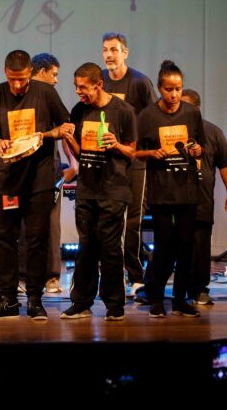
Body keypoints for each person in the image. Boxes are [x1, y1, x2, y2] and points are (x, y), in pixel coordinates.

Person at [0, 50, 72, 320]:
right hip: (7, 179)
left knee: (36, 239)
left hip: (39, 179)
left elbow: (65, 124)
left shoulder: (45, 93)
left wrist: (51, 134)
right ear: (5, 73)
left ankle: (34, 299)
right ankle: (7, 299)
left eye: (21, 79)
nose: (17, 85)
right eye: (12, 80)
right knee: (7, 239)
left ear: (30, 72)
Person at [60, 62, 136, 321]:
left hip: (113, 190)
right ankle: (81, 302)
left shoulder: (123, 111)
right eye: (76, 87)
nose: (79, 92)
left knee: (111, 247)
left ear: (99, 84)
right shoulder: (79, 110)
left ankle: (115, 306)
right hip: (87, 189)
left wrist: (117, 144)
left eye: (84, 87)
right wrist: (70, 142)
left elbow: (133, 152)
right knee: (86, 247)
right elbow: (81, 154)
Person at [135, 60, 204, 318]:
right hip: (161, 191)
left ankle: (179, 300)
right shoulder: (148, 116)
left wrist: (197, 150)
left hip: (186, 189)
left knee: (186, 247)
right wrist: (152, 152)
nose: (174, 95)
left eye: (178, 89)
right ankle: (156, 299)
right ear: (160, 88)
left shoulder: (191, 113)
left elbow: (200, 145)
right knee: (164, 247)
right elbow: (135, 152)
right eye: (168, 89)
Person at [101, 32, 157, 298]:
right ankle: (114, 274)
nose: (109, 55)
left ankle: (136, 275)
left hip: (134, 160)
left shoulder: (139, 82)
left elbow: (153, 117)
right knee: (109, 218)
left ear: (125, 52)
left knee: (133, 219)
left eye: (114, 49)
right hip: (107, 162)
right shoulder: (99, 79)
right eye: (105, 50)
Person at [180, 89, 227, 305]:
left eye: (187, 107)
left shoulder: (212, 132)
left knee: (200, 246)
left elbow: (225, 165)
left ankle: (198, 289)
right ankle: (163, 289)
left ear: (197, 108)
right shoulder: (172, 130)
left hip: (201, 200)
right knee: (173, 245)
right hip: (175, 199)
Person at [29, 53, 78, 294]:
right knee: (23, 225)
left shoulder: (50, 96)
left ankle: (51, 277)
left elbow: (66, 128)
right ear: (41, 72)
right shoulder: (19, 95)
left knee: (51, 224)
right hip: (22, 169)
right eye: (54, 74)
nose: (56, 80)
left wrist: (73, 161)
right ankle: (24, 277)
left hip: (49, 168)